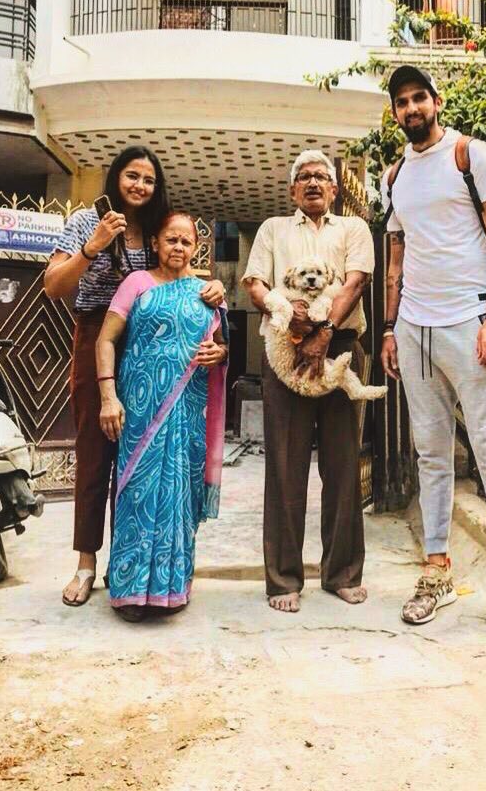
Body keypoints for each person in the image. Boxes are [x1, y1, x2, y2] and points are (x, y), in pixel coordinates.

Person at [380, 65, 486, 647]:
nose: (412, 108)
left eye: (419, 97)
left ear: (436, 101)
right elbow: (398, 257)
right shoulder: (394, 173)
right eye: (402, 102)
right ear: (395, 112)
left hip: (470, 324)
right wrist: (393, 327)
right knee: (431, 454)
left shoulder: (471, 155)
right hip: (416, 328)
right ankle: (438, 569)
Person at [44, 147, 224, 607]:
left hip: (153, 347)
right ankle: (86, 565)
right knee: (96, 453)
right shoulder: (88, 221)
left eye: (148, 178)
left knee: (146, 463)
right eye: (132, 176)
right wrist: (94, 246)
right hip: (97, 335)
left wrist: (214, 287)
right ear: (115, 178)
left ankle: (139, 568)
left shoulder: (158, 230)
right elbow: (54, 285)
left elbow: (179, 279)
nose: (140, 186)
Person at [242, 151, 375, 613]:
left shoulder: (352, 229)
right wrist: (285, 312)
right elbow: (254, 282)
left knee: (342, 467)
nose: (314, 182)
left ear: (336, 189)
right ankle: (282, 580)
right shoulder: (273, 229)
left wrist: (322, 333)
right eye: (304, 177)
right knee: (284, 467)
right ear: (293, 190)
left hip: (339, 349)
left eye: (322, 176)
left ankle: (341, 573)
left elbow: (356, 282)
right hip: (283, 355)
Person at [96, 212, 228, 622]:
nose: (179, 248)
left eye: (186, 242)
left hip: (187, 412)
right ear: (156, 242)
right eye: (171, 239)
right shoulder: (136, 284)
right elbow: (105, 340)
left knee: (179, 496)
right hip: (139, 410)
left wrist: (219, 354)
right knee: (137, 493)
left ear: (196, 247)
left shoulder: (208, 292)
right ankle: (131, 589)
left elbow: (221, 346)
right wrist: (107, 395)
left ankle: (173, 586)